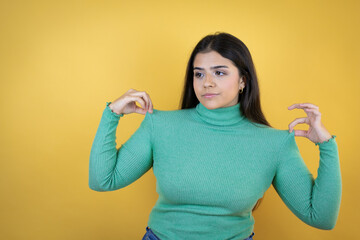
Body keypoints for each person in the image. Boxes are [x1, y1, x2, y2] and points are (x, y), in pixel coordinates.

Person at [89, 32, 342, 240]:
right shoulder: (160, 125)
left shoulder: (274, 143)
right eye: (199, 74)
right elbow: (103, 180)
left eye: (219, 72)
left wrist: (326, 146)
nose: (206, 82)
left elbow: (320, 218)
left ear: (243, 80)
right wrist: (112, 114)